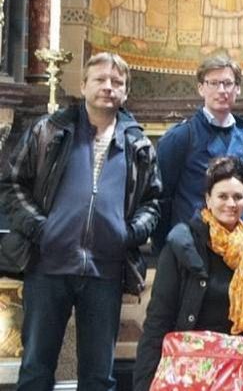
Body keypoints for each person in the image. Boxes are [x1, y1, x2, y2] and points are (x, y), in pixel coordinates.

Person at [0, 52, 160, 391]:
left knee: (98, 376)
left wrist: (128, 233)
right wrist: (42, 229)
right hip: (48, 266)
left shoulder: (138, 144)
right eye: (100, 79)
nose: (108, 87)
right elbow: (12, 184)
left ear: (125, 92)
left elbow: (152, 202)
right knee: (36, 369)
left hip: (105, 271)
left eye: (117, 82)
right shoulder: (49, 130)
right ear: (83, 84)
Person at [134, 157, 243, 391]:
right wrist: (144, 384)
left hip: (235, 375)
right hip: (189, 375)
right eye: (222, 196)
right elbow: (158, 321)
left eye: (238, 197)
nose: (231, 203)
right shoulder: (182, 244)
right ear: (208, 198)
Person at [155, 55, 243, 251]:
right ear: (201, 88)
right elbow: (162, 198)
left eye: (228, 83)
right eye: (213, 83)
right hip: (194, 246)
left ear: (238, 88)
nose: (221, 90)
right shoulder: (181, 137)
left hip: (235, 248)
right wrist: (166, 251)